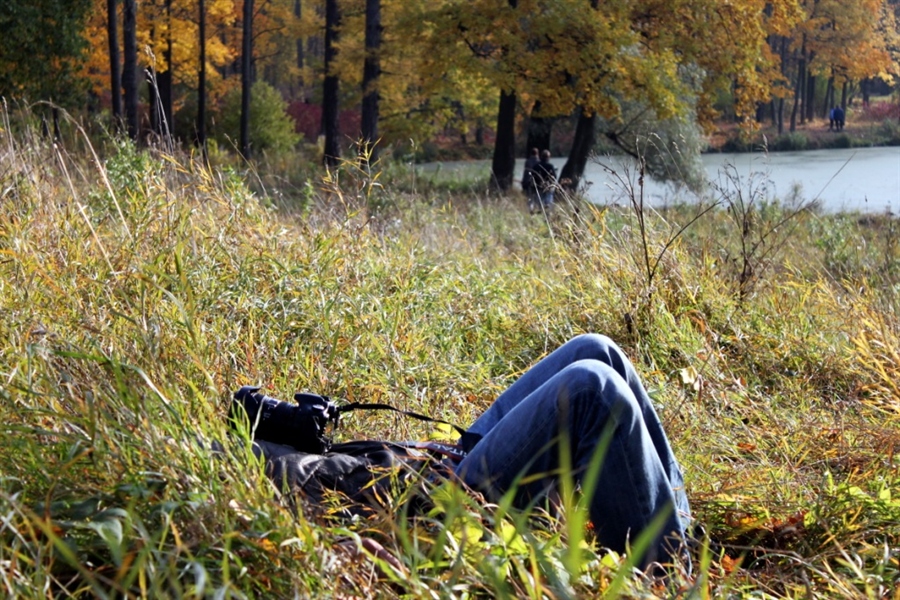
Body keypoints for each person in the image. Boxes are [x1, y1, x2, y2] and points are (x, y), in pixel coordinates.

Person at [243, 334, 691, 571]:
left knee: (596, 348)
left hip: (444, 458)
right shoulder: (254, 471)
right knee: (591, 387)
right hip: (448, 496)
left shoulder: (290, 451)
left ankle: (680, 528)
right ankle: (666, 568)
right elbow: (338, 498)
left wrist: (304, 425)